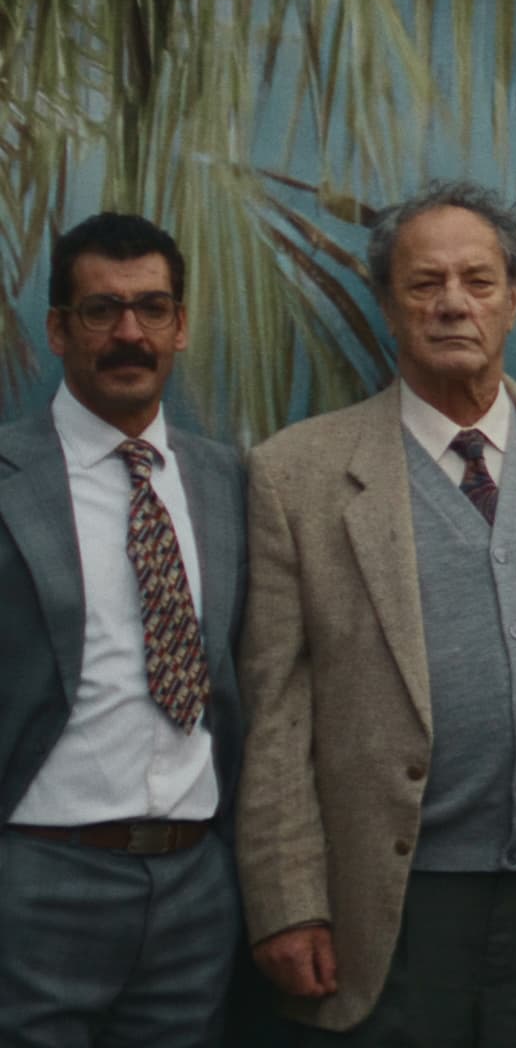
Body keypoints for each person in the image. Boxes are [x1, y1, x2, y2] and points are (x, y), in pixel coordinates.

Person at [235, 180, 516, 1042]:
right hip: (389, 907)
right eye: (425, 283)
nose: (453, 304)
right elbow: (277, 716)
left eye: (478, 281)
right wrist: (289, 901)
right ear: (386, 304)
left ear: (512, 299)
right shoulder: (298, 473)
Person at [0, 212, 247, 1045]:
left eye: (152, 308)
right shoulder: (8, 477)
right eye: (102, 310)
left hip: (195, 886)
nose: (129, 333)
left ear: (180, 327)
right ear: (59, 331)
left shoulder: (228, 483)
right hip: (36, 876)